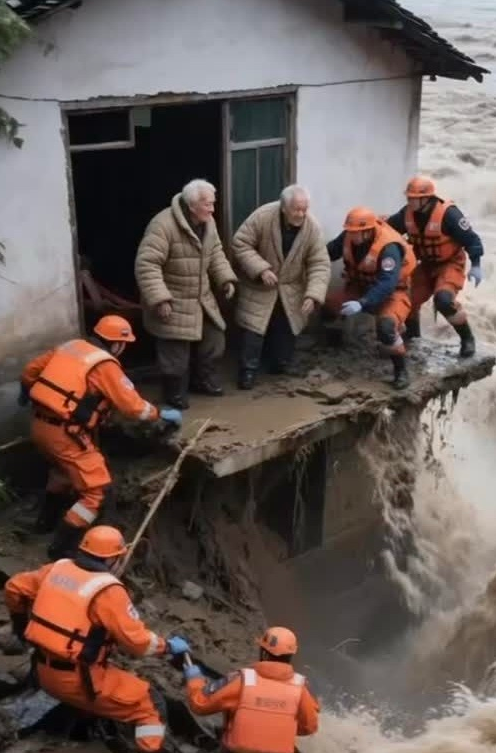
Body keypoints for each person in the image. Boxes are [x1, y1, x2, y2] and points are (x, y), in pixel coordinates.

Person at [4, 526, 190, 753]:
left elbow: (14, 587)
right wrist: (168, 646)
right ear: (114, 559)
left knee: (105, 679)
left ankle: (82, 728)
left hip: (42, 672)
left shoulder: (58, 568)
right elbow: (138, 644)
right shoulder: (108, 590)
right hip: (78, 681)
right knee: (150, 704)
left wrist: (20, 628)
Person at [20, 316, 182, 561]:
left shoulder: (71, 346)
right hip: (65, 434)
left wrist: (26, 392)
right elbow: (132, 406)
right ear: (117, 344)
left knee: (62, 473)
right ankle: (61, 548)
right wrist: (159, 414)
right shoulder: (105, 365)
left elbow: (30, 371)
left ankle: (44, 524)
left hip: (40, 426)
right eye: (124, 345)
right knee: (96, 492)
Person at [135, 179, 236, 409]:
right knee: (175, 356)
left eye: (213, 204)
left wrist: (226, 279)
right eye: (208, 205)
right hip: (173, 298)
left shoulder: (208, 223)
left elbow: (216, 254)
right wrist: (159, 298)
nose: (212, 209)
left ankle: (203, 381)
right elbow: (147, 264)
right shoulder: (162, 225)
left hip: (202, 298)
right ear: (192, 206)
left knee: (214, 340)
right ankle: (174, 393)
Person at [184, 626, 319, 753]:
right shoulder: (300, 687)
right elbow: (309, 727)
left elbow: (200, 704)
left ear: (263, 652)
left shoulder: (242, 680)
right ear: (291, 655)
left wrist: (194, 680)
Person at [232, 185, 330, 390]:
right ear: (284, 207)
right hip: (260, 285)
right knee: (254, 330)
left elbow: (319, 263)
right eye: (297, 209)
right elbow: (240, 243)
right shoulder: (263, 216)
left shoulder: (312, 227)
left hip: (290, 288)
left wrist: (313, 295)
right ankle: (247, 372)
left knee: (285, 331)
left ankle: (278, 365)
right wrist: (261, 269)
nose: (301, 214)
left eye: (305, 209)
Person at [386, 176, 484, 358]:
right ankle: (413, 336)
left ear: (427, 199)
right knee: (407, 300)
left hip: (450, 263)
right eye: (409, 198)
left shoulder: (449, 214)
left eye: (414, 198)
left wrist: (476, 264)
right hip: (425, 264)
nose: (410, 201)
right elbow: (388, 232)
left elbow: (472, 240)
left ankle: (467, 338)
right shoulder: (406, 214)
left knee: (444, 301)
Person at [325, 207, 416, 388]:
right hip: (360, 287)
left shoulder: (389, 247)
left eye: (358, 232)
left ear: (369, 231)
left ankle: (401, 371)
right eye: (351, 231)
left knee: (386, 327)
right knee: (329, 306)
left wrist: (362, 303)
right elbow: (328, 252)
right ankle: (333, 347)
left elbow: (387, 283)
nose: (354, 236)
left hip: (392, 293)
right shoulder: (349, 236)